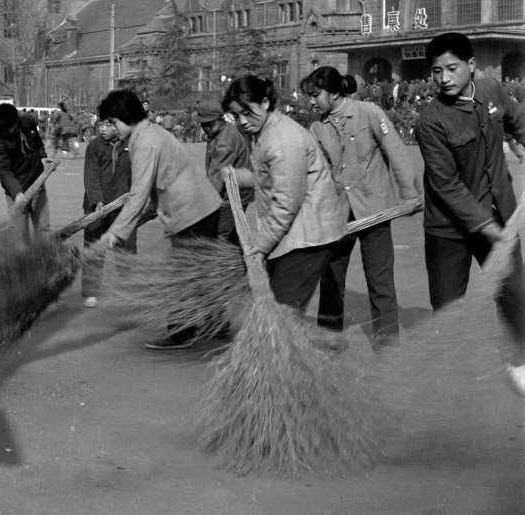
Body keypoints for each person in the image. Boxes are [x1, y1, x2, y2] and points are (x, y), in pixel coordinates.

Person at [415, 32, 525, 394]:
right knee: (448, 307)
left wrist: (521, 139)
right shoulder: (431, 121)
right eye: (436, 72)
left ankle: (521, 364)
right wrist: (487, 227)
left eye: (451, 68)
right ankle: (451, 380)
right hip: (449, 228)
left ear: (471, 66)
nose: (443, 78)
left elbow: (515, 117)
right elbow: (446, 186)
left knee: (515, 293)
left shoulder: (491, 91)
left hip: (499, 214)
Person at [300, 66, 421, 348]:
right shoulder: (317, 127)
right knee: (330, 280)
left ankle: (387, 341)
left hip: (374, 209)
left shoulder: (368, 113)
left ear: (333, 92)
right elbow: (314, 172)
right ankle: (330, 340)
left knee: (380, 281)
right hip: (339, 214)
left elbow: (396, 152)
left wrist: (409, 195)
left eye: (316, 95)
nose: (311, 101)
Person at [97, 89, 222, 349]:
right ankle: (217, 325)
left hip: (192, 212)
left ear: (126, 117)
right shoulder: (150, 134)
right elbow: (152, 191)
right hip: (201, 208)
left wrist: (116, 232)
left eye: (113, 122)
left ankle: (181, 333)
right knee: (200, 273)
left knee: (181, 274)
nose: (111, 128)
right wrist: (133, 221)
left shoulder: (145, 142)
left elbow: (139, 192)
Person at [222, 75, 348, 316]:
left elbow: (285, 205)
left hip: (308, 238)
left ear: (266, 103)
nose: (242, 122)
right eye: (236, 116)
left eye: (247, 112)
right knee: (280, 311)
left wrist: (259, 248)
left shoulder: (282, 140)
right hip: (295, 233)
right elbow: (273, 181)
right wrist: (240, 176)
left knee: (281, 314)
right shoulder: (267, 131)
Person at [81, 118, 136, 309]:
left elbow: (139, 174)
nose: (102, 129)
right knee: (94, 248)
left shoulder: (131, 144)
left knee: (126, 249)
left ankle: (128, 290)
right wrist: (97, 200)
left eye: (108, 125)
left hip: (124, 206)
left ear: (118, 125)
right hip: (98, 206)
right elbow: (91, 175)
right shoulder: (94, 146)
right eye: (100, 125)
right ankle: (91, 291)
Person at [196, 99, 253, 244]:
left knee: (220, 236)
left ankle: (225, 264)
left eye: (210, 123)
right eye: (203, 124)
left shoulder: (224, 142)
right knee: (231, 235)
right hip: (233, 192)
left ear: (220, 119)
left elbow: (216, 179)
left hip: (233, 197)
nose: (206, 127)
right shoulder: (221, 132)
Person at [0, 103, 50, 244]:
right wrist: (17, 193)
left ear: (16, 122)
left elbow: (38, 142)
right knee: (20, 236)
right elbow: (3, 170)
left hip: (37, 185)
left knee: (43, 229)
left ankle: (43, 261)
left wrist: (43, 157)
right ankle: (24, 263)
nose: (8, 131)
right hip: (16, 193)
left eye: (10, 127)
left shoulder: (27, 123)